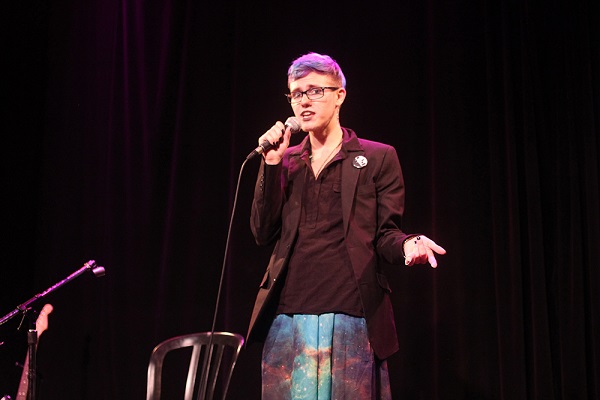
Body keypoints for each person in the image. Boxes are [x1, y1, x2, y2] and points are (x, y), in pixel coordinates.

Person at [247, 52, 446, 399]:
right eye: (296, 93)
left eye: (315, 91)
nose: (304, 101)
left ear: (339, 95)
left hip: (351, 313)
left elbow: (385, 234)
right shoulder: (286, 161)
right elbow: (262, 232)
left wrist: (408, 244)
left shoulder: (378, 157)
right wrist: (272, 164)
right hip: (288, 315)